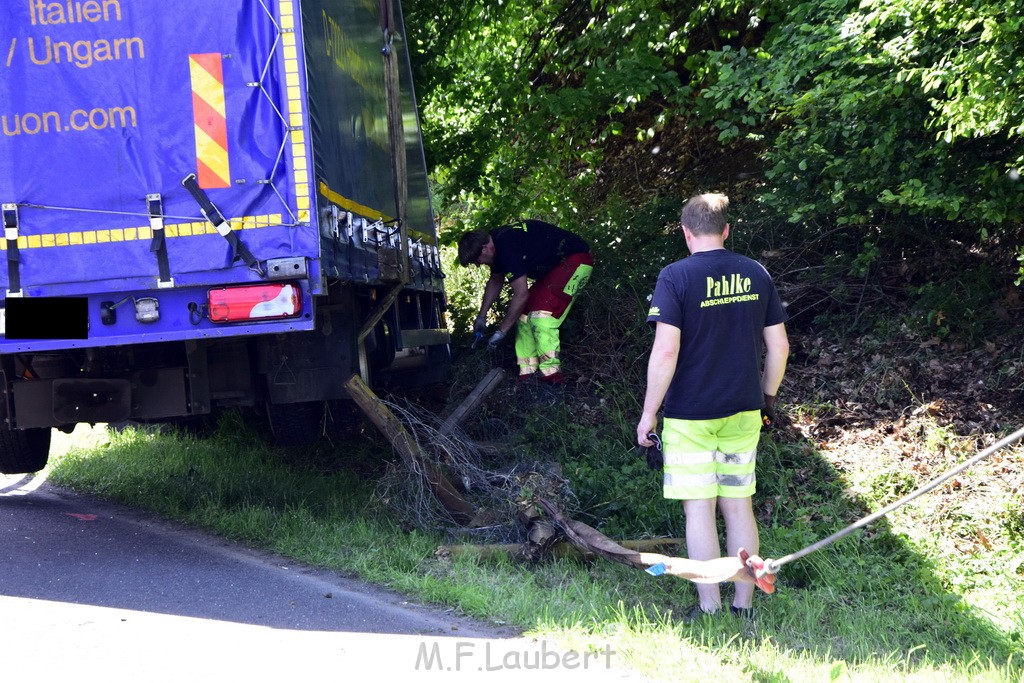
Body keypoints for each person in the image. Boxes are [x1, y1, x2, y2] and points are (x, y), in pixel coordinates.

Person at [635, 193, 789, 617]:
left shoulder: (675, 276)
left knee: (699, 507)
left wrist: (649, 413)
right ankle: (744, 605)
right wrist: (768, 400)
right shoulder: (756, 273)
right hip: (744, 408)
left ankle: (710, 609)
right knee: (738, 504)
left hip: (690, 414)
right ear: (726, 230)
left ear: (686, 233)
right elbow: (778, 346)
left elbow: (666, 353)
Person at [458, 219, 594, 384]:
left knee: (542, 316)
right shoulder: (497, 241)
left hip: (577, 261)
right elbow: (495, 280)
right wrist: (482, 316)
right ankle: (528, 376)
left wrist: (501, 332)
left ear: (485, 248)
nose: (478, 265)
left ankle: (552, 379)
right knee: (522, 316)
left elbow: (521, 295)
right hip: (554, 270)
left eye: (476, 260)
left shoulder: (507, 246)